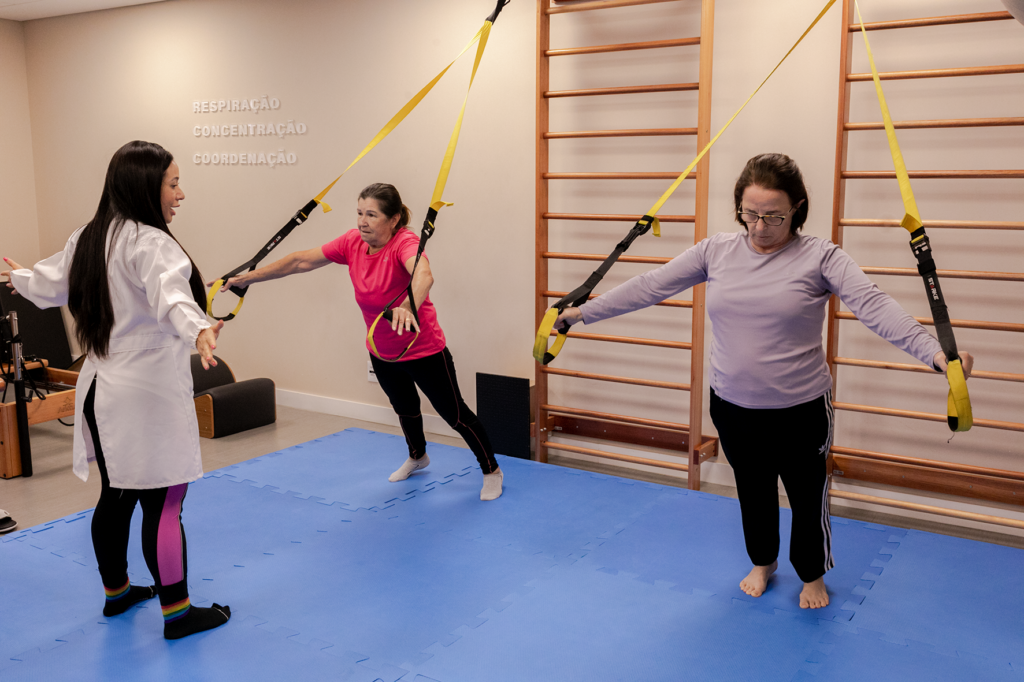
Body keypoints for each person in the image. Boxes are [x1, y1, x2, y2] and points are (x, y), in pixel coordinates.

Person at [554, 153, 973, 609]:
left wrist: (936, 354)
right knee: (752, 491)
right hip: (732, 405)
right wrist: (582, 312)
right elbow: (650, 285)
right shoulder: (715, 251)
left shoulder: (821, 257)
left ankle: (811, 573)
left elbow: (875, 307)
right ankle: (763, 561)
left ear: (797, 208)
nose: (759, 226)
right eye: (750, 213)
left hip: (801, 409)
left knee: (807, 496)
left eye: (773, 215)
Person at [2, 140, 231, 639]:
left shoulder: (89, 236)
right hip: (146, 393)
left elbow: (49, 283)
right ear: (146, 186)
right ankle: (178, 613)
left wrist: (19, 277)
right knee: (164, 502)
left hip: (99, 389)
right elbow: (172, 295)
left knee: (117, 492)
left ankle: (117, 592)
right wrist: (199, 329)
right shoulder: (152, 243)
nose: (181, 194)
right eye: (173, 184)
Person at [217, 183, 504, 500]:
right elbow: (300, 261)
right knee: (405, 409)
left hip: (422, 350)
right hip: (382, 351)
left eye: (371, 215)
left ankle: (491, 470)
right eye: (359, 213)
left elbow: (424, 275)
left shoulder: (404, 243)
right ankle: (418, 456)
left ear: (393, 219)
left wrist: (408, 306)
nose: (362, 222)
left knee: (456, 416)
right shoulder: (352, 242)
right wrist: (247, 278)